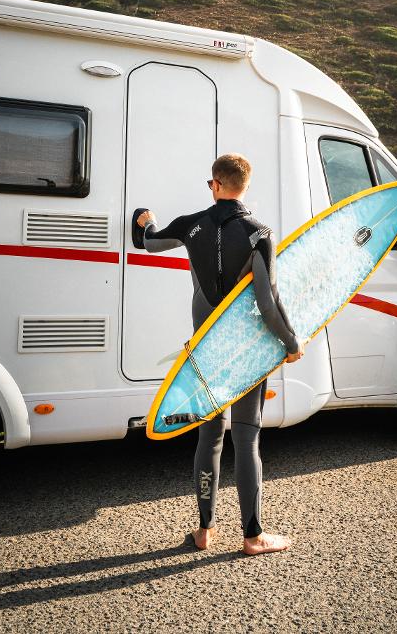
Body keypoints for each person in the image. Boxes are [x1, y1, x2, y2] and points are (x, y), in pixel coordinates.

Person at [136, 152, 305, 556]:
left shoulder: (190, 224)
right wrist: (291, 343)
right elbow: (268, 303)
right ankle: (253, 536)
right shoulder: (259, 233)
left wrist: (144, 219)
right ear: (245, 185)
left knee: (209, 438)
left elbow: (147, 241)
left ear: (214, 185)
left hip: (205, 352)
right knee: (246, 440)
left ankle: (204, 531)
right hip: (244, 353)